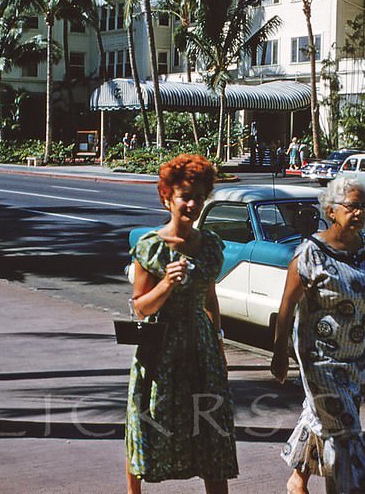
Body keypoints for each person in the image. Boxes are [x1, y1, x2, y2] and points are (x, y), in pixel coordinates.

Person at [125, 154, 238, 493]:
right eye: (185, 196)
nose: (191, 204)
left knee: (211, 430)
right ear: (167, 198)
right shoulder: (151, 247)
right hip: (160, 351)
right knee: (147, 424)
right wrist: (166, 284)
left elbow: (210, 299)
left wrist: (218, 343)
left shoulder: (210, 247)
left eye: (199, 198)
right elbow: (140, 308)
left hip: (201, 351)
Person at [270, 176, 365, 494]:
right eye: (352, 206)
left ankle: (299, 480)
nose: (360, 212)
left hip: (356, 359)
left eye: (364, 206)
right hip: (320, 360)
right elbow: (286, 307)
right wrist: (279, 353)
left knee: (323, 417)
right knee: (344, 429)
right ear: (332, 210)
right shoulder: (310, 254)